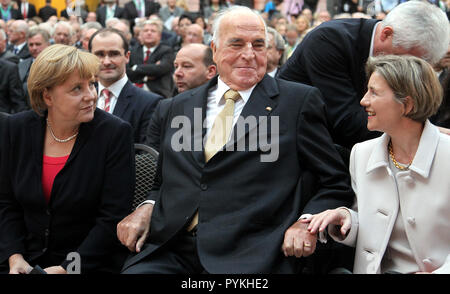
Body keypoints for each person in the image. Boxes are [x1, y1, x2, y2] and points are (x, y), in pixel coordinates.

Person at [117, 6, 353, 274]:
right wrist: (145, 207)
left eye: (258, 45)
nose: (249, 55)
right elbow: (164, 181)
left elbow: (334, 181)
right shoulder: (177, 107)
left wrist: (305, 223)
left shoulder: (297, 102)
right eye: (237, 44)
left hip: (251, 254)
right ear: (214, 50)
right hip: (169, 249)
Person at [307, 55, 450, 274]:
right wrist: (346, 218)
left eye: (374, 92)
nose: (364, 101)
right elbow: (371, 226)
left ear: (407, 104)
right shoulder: (361, 154)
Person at [0, 44, 135, 274]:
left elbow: (112, 218)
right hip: (21, 258)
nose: (91, 96)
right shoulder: (16, 128)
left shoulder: (114, 133)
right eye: (76, 89)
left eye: (92, 84)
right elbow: (5, 204)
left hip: (87, 262)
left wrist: (66, 269)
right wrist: (15, 257)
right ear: (47, 96)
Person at [279, 1, 450, 149]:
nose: (413, 70)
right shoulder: (329, 41)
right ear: (386, 34)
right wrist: (422, 134)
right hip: (295, 148)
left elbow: (420, 112)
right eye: (410, 61)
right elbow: (347, 124)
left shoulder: (405, 47)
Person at [89, 28, 162, 143]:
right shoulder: (82, 98)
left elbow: (148, 155)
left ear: (127, 56)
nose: (107, 62)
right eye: (100, 54)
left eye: (114, 54)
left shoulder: (150, 103)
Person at [127, 19, 175, 98]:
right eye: (146, 31)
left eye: (153, 31)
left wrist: (136, 67)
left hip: (158, 93)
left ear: (159, 35)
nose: (149, 33)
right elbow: (128, 72)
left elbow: (161, 69)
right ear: (141, 34)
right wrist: (151, 70)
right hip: (134, 92)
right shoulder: (133, 51)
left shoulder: (167, 51)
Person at [18, 27, 50, 108]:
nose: (34, 48)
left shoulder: (56, 65)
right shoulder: (21, 65)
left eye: (38, 44)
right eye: (31, 45)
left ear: (48, 44)